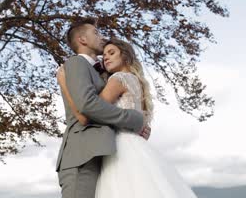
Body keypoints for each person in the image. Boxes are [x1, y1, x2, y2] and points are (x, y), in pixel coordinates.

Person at [57, 38, 199, 198]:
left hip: (120, 147)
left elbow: (91, 110)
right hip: (137, 146)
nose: (106, 58)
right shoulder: (137, 81)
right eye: (104, 56)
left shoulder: (117, 79)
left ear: (125, 56)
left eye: (111, 53)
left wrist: (64, 84)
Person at [55, 19, 151, 198]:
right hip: (82, 155)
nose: (101, 37)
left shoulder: (101, 73)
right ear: (83, 40)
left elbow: (100, 108)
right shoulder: (77, 63)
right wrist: (133, 119)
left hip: (99, 153)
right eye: (96, 33)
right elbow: (87, 107)